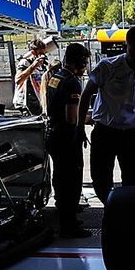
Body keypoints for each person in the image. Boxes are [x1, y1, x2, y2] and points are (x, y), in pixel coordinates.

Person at [78, 26, 135, 205]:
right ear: (126, 46)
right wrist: (79, 127)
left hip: (131, 133)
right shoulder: (107, 67)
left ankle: (126, 214)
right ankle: (110, 207)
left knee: (133, 181)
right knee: (101, 179)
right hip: (105, 132)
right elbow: (86, 94)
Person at [45, 43, 93, 238]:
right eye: (85, 62)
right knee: (72, 182)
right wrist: (93, 117)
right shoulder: (72, 82)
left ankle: (65, 216)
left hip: (53, 135)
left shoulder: (55, 77)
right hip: (67, 139)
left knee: (60, 179)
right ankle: (69, 225)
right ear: (79, 61)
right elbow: (72, 117)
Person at [13, 37, 56, 115]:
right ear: (33, 52)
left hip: (37, 101)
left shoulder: (41, 64)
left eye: (44, 53)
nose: (43, 55)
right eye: (40, 53)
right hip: (25, 102)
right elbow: (18, 80)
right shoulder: (25, 62)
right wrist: (33, 67)